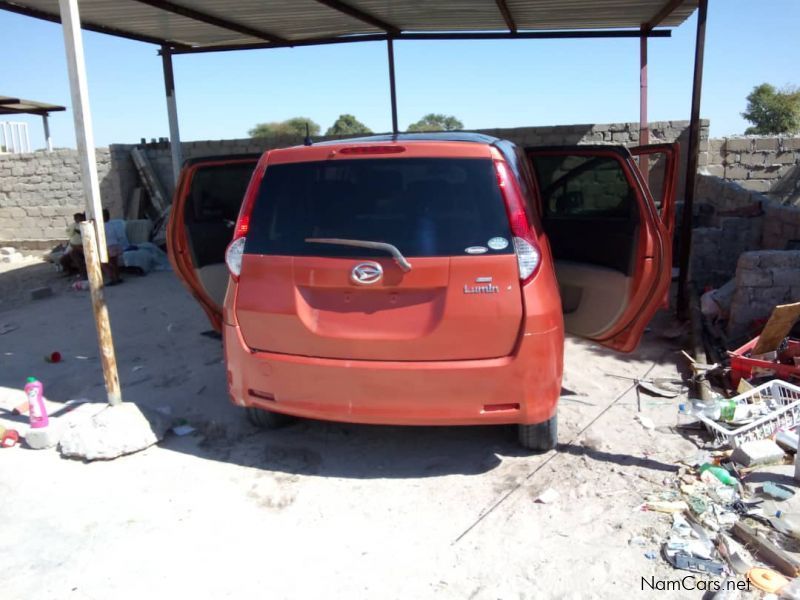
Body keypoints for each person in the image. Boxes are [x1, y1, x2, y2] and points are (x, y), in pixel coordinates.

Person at [102, 208, 128, 285]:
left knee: (105, 263)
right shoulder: (113, 225)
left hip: (108, 246)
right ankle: (117, 277)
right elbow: (119, 236)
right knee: (114, 263)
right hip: (115, 245)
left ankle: (112, 278)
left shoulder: (101, 226)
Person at [60, 212, 86, 277]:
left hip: (83, 246)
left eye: (80, 218)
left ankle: (84, 274)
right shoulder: (73, 226)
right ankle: (70, 272)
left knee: (76, 256)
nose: (78, 220)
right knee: (63, 259)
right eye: (76, 218)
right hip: (73, 245)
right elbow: (69, 234)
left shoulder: (86, 225)